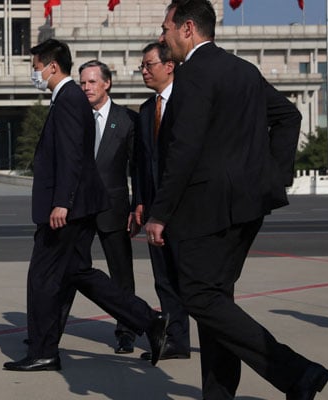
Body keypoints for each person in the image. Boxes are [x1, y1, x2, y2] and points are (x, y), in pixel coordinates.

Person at [146, 1, 328, 398]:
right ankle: (219, 394)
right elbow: (289, 117)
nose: (163, 37)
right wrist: (272, 176)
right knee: (217, 298)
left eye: (166, 29)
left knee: (199, 297)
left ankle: (296, 372)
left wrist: (160, 212)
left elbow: (184, 148)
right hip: (247, 206)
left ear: (187, 28)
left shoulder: (194, 74)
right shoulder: (242, 70)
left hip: (206, 209)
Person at [3, 39, 168, 372]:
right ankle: (148, 320)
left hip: (70, 209)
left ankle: (43, 351)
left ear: (51, 66)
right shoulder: (71, 99)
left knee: (41, 278)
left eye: (35, 67)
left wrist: (61, 202)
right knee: (79, 274)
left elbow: (71, 157)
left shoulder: (67, 99)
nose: (34, 73)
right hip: (82, 206)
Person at [133, 42, 190, 361]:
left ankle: (216, 337)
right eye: (141, 66)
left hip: (186, 206)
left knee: (191, 278)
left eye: (148, 65)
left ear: (169, 66)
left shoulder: (188, 103)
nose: (144, 71)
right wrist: (139, 201)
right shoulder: (145, 110)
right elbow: (141, 163)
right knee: (164, 277)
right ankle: (177, 340)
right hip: (155, 208)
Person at [78, 60, 139, 354]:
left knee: (121, 274)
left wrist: (138, 205)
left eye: (92, 82)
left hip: (114, 210)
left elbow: (137, 169)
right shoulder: (75, 117)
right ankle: (48, 331)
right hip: (78, 210)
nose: (86, 87)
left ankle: (126, 330)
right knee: (70, 270)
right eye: (83, 83)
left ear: (107, 83)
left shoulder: (127, 120)